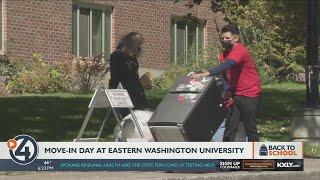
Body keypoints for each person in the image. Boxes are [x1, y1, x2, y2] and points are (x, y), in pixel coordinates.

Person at [191, 24, 261, 142]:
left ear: (236, 38)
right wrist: (228, 92)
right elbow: (225, 75)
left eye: (227, 38)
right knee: (229, 128)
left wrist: (207, 73)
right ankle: (225, 157)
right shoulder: (223, 54)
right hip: (236, 95)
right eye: (222, 38)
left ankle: (256, 157)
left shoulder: (240, 50)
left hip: (250, 94)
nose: (224, 40)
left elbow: (228, 65)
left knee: (250, 128)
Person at [109, 32, 148, 118]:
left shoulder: (133, 58)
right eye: (138, 44)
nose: (139, 47)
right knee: (125, 117)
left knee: (140, 114)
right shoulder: (117, 55)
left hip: (135, 90)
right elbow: (118, 75)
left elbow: (133, 73)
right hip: (122, 90)